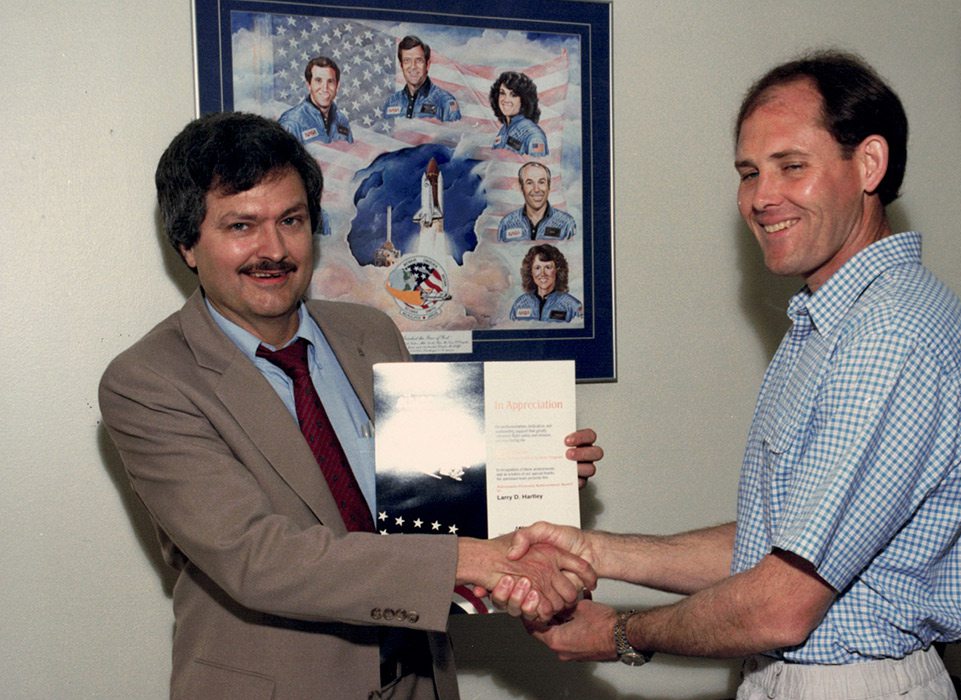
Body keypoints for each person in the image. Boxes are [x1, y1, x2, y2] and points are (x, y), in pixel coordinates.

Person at [500, 50, 961, 700]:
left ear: (868, 164)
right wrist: (592, 552)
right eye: (748, 172)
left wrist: (617, 633)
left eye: (791, 166)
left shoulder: (889, 335)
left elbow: (780, 603)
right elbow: (783, 544)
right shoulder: (834, 319)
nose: (762, 197)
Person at [98, 112, 602, 700]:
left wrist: (531, 468)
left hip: (419, 676)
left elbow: (427, 495)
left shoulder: (372, 334)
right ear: (187, 244)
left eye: (291, 220)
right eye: (242, 226)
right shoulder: (148, 382)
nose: (274, 249)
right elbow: (260, 558)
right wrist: (474, 561)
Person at [383, 36, 461, 122]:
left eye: (419, 60)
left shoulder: (446, 102)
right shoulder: (391, 102)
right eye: (407, 61)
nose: (413, 66)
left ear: (427, 65)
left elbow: (455, 133)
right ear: (401, 66)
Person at [278, 56, 354, 144]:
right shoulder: (292, 123)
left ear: (337, 86)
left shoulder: (342, 121)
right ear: (309, 85)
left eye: (330, 81)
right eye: (318, 80)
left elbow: (351, 155)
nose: (325, 88)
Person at [498, 162, 576, 242]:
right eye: (529, 183)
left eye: (541, 182)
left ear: (548, 186)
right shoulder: (507, 224)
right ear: (522, 188)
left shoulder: (566, 224)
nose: (536, 189)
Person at [509, 244, 582, 323]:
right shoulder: (520, 304)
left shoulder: (572, 306)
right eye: (537, 268)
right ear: (530, 271)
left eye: (548, 267)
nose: (542, 273)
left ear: (558, 270)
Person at [490, 71, 548, 157]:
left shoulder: (534, 135)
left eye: (513, 95)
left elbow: (537, 167)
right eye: (502, 93)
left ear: (524, 100)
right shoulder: (504, 130)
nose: (506, 99)